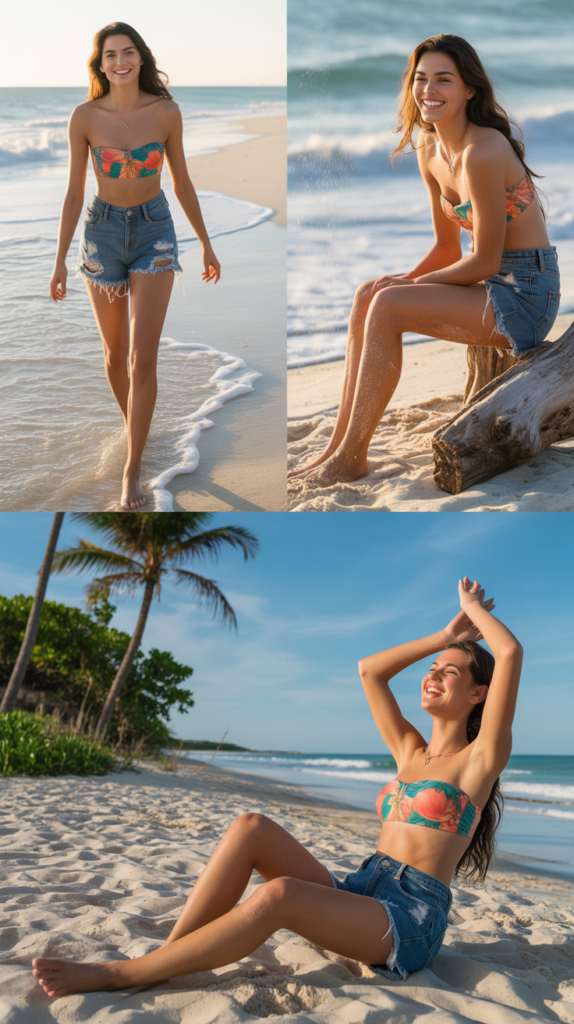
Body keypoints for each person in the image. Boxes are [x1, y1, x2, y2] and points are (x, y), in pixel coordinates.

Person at [32, 576, 522, 996]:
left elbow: (509, 651)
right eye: (432, 669)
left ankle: (121, 974)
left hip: (409, 920)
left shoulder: (480, 760)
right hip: (361, 889)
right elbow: (370, 671)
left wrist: (472, 609)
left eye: (449, 672)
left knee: (280, 894)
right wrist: (443, 637)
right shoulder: (411, 751)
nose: (432, 675)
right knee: (250, 827)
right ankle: (169, 956)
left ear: (479, 693)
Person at [289, 33, 560, 488]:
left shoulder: (483, 151)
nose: (428, 90)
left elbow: (487, 260)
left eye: (443, 80)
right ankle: (338, 449)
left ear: (469, 89)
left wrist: (408, 290)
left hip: (527, 294)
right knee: (369, 294)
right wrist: (400, 281)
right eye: (420, 79)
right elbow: (446, 249)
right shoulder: (431, 152)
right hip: (492, 283)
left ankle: (351, 457)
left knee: (390, 305)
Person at [50, 22, 221, 510]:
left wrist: (206, 243)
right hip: (101, 234)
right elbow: (73, 193)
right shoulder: (84, 116)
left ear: (141, 58)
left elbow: (183, 183)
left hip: (155, 232)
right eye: (110, 55)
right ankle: (139, 431)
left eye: (128, 53)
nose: (119, 61)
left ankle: (132, 469)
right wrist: (60, 260)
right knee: (113, 356)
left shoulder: (165, 112)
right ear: (100, 63)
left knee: (142, 359)